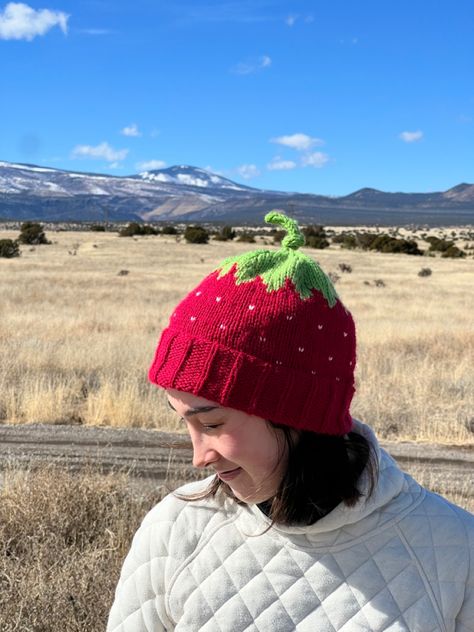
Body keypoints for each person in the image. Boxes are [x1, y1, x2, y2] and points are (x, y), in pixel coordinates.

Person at [107, 212, 474, 632]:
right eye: (183, 422)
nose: (198, 458)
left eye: (211, 423)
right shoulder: (174, 529)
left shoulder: (455, 551)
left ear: (297, 414)